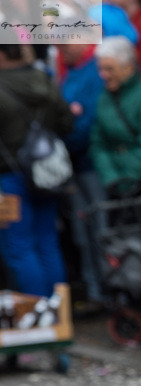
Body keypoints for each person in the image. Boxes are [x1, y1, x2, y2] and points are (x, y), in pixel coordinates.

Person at [0, 45, 73, 298]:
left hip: (9, 178)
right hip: (46, 173)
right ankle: (59, 314)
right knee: (48, 242)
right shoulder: (44, 79)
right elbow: (66, 122)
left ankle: (37, 317)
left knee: (19, 246)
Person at [57, 41, 108, 305]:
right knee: (82, 229)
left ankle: (109, 289)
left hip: (90, 164)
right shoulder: (70, 70)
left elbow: (89, 119)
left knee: (99, 228)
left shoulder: (93, 70)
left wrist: (65, 139)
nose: (59, 47)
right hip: (74, 166)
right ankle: (93, 289)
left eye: (64, 42)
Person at [90, 36, 141, 199]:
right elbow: (97, 143)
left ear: (128, 68)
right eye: (101, 69)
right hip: (114, 186)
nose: (103, 75)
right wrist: (111, 177)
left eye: (109, 69)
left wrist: (128, 178)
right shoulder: (104, 99)